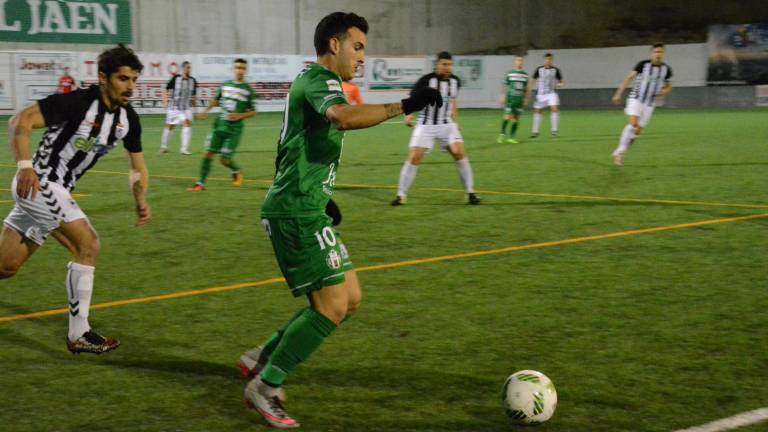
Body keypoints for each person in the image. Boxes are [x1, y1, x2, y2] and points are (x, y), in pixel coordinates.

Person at [238, 11, 441, 428]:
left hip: (308, 205)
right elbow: (342, 118)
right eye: (358, 46)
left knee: (349, 300)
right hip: (294, 211)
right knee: (330, 307)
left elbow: (300, 144)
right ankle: (267, 385)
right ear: (335, 44)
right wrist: (405, 104)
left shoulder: (313, 81)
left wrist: (323, 197)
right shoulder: (321, 81)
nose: (362, 57)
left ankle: (261, 358)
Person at [0, 45, 150, 354]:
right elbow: (20, 121)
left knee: (6, 267)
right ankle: (78, 333)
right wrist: (26, 167)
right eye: (123, 79)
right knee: (88, 245)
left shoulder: (128, 119)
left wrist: (140, 198)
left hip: (55, 192)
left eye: (134, 79)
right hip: (40, 184)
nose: (130, 87)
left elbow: (137, 166)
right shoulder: (77, 103)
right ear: (103, 77)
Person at [391, 51, 480, 206]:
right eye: (444, 64)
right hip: (426, 124)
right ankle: (401, 195)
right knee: (414, 157)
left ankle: (470, 193)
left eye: (450, 65)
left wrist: (456, 121)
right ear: (437, 65)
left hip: (447, 124)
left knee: (459, 152)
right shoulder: (426, 80)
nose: (447, 68)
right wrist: (409, 114)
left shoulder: (455, 81)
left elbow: (453, 101)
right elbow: (412, 98)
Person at [187, 58, 256, 191]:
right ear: (233, 69)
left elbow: (253, 112)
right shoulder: (225, 85)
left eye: (242, 68)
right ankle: (201, 183)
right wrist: (205, 111)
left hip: (234, 130)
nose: (239, 70)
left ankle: (236, 171)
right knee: (207, 154)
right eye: (237, 67)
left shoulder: (248, 90)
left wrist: (240, 115)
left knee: (224, 160)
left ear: (245, 70)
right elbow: (216, 100)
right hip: (219, 126)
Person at [611, 43, 673, 166]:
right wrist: (618, 94)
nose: (658, 54)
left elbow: (669, 86)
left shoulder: (666, 70)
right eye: (656, 52)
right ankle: (620, 153)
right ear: (652, 53)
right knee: (634, 124)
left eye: (660, 52)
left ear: (663, 54)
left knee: (637, 132)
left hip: (649, 104)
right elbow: (629, 79)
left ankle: (620, 152)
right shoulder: (643, 65)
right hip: (636, 99)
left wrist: (664, 91)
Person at [160, 61, 197, 155]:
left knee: (187, 124)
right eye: (187, 67)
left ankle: (184, 149)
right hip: (174, 108)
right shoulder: (176, 78)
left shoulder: (193, 81)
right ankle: (164, 147)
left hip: (186, 108)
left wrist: (195, 110)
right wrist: (165, 102)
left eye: (190, 68)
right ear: (183, 68)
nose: (189, 69)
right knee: (170, 127)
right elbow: (166, 89)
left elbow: (194, 96)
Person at [498, 55, 530, 144]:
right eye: (518, 60)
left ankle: (511, 137)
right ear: (515, 62)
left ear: (523, 62)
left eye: (521, 60)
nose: (519, 62)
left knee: (516, 118)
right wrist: (502, 96)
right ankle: (502, 134)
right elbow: (504, 85)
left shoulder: (525, 75)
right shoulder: (510, 73)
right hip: (510, 99)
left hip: (519, 100)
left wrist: (526, 98)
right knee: (507, 117)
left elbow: (527, 88)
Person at [530, 53, 563, 138]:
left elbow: (561, 81)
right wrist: (529, 89)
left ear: (552, 60)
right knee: (538, 111)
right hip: (541, 94)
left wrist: (560, 84)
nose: (548, 61)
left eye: (550, 59)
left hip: (551, 93)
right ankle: (535, 132)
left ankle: (554, 131)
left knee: (555, 109)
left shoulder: (556, 70)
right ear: (544, 60)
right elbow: (533, 80)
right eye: (547, 59)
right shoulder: (539, 69)